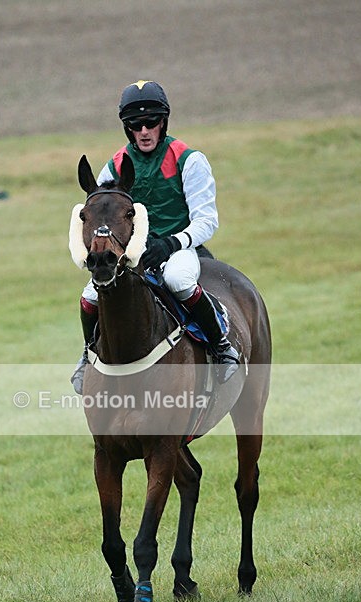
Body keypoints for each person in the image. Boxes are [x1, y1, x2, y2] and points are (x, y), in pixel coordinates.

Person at [71, 79, 239, 393]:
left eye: (152, 123)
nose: (145, 131)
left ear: (163, 123)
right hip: (133, 252)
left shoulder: (189, 160)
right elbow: (101, 212)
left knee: (178, 280)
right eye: (136, 125)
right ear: (127, 129)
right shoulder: (114, 166)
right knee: (91, 296)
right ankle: (87, 355)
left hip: (178, 248)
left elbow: (207, 221)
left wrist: (171, 243)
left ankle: (221, 347)